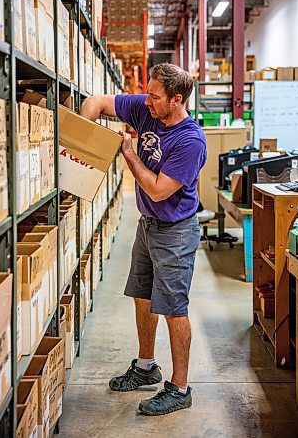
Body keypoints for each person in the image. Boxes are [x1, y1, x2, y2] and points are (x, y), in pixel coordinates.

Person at [81, 63, 207, 416]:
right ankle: (146, 366)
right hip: (148, 226)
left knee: (172, 308)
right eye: (148, 94)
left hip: (175, 232)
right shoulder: (147, 108)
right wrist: (83, 135)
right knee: (141, 296)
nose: (146, 101)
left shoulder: (189, 141)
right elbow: (97, 101)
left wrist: (129, 152)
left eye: (154, 96)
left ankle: (180, 388)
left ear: (176, 100)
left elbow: (157, 189)